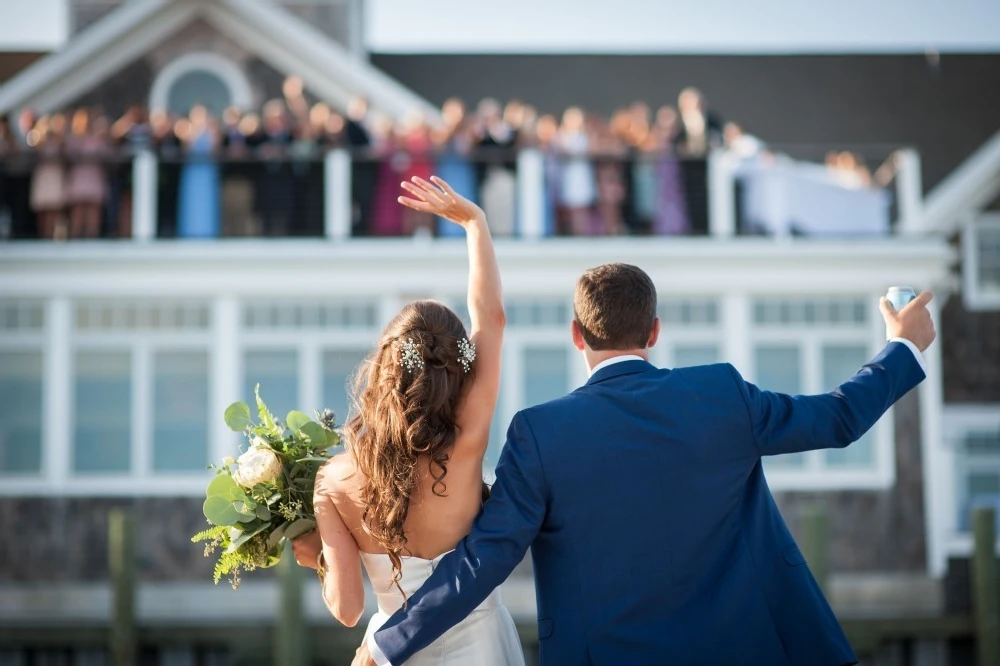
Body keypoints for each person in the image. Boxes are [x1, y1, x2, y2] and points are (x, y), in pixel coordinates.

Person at [353, 265, 936, 666]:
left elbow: (483, 561)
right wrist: (902, 346)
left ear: (577, 336)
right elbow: (836, 419)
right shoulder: (722, 395)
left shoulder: (539, 433)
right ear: (654, 332)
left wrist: (388, 645)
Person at [292, 175, 524, 666]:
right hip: (482, 646)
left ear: (382, 368)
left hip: (394, 652)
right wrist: (475, 225)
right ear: (458, 367)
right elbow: (492, 320)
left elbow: (349, 609)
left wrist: (318, 556)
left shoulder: (332, 480)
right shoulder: (467, 438)